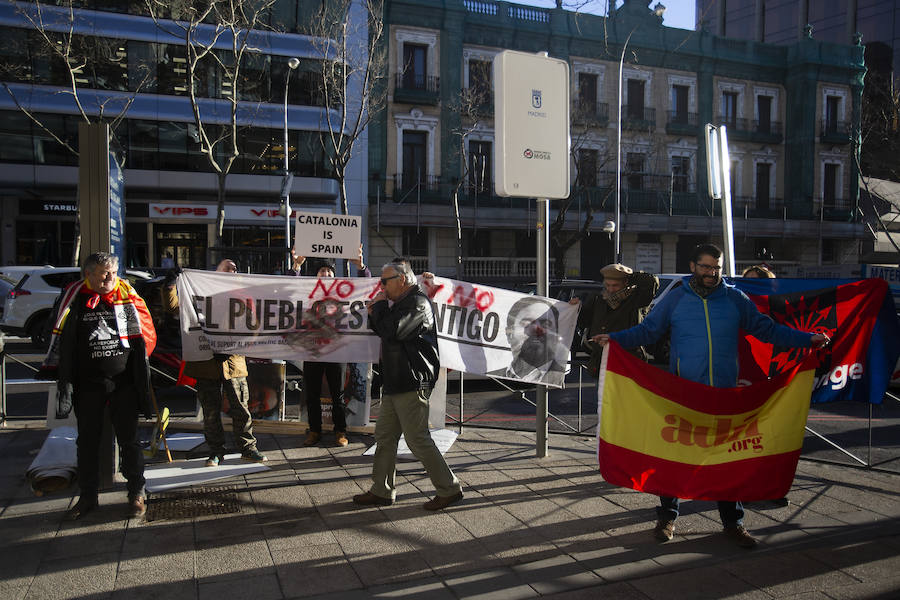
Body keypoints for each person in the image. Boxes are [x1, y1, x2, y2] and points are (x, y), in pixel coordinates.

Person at [593, 244, 828, 548]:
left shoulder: (734, 299)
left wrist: (807, 339)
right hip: (683, 394)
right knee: (673, 457)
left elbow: (767, 330)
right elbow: (648, 331)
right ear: (694, 266)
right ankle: (667, 517)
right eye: (705, 267)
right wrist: (615, 338)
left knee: (725, 461)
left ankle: (733, 523)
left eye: (716, 267)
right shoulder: (677, 298)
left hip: (723, 397)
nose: (711, 273)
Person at [40, 252, 157, 520]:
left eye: (113, 273)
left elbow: (140, 341)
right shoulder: (74, 299)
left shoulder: (124, 297)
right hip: (88, 385)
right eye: (104, 273)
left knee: (130, 441)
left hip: (123, 384)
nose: (109, 278)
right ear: (89, 274)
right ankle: (88, 497)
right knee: (88, 442)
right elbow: (59, 339)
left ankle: (136, 493)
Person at [352, 261, 463, 510]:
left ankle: (450, 488)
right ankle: (382, 490)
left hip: (411, 380)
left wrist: (379, 307)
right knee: (384, 437)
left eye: (385, 281)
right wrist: (376, 312)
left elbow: (394, 331)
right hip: (396, 380)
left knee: (416, 439)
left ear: (402, 279)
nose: (381, 286)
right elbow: (385, 330)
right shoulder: (401, 304)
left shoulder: (417, 303)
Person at [162, 259, 267, 466]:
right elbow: (173, 306)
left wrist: (233, 346)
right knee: (210, 412)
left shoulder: (241, 295)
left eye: (235, 268)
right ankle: (216, 451)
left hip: (232, 363)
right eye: (228, 266)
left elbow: (253, 327)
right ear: (215, 271)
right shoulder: (197, 293)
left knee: (241, 409)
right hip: (206, 362)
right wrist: (170, 284)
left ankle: (248, 448)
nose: (233, 269)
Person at [291, 244, 370, 447]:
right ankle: (315, 430)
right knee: (313, 393)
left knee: (338, 394)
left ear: (335, 275)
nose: (325, 273)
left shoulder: (343, 292)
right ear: (316, 274)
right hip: (313, 349)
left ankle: (340, 431)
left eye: (329, 271)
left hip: (337, 350)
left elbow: (365, 288)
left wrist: (361, 267)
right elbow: (291, 287)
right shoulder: (308, 291)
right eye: (322, 270)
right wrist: (296, 267)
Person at [578, 263, 658, 375]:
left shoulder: (637, 299)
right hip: (601, 363)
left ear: (626, 283)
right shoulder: (598, 299)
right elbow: (583, 322)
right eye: (607, 285)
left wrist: (630, 275)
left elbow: (651, 282)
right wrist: (577, 308)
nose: (610, 289)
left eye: (615, 285)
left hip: (629, 363)